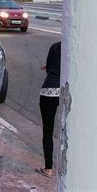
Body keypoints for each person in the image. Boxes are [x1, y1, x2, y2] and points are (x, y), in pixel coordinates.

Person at [35, 41, 61, 178]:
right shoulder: (75, 51)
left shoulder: (56, 46)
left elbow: (49, 67)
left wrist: (52, 69)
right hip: (65, 93)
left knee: (48, 131)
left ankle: (48, 168)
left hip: (49, 91)